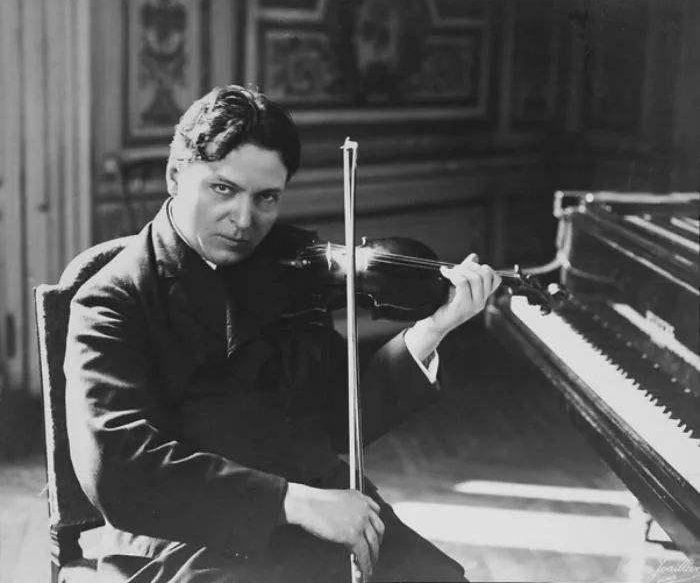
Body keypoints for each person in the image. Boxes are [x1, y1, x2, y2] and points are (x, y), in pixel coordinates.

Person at [64, 85, 501, 582]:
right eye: (223, 189)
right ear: (175, 175)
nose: (244, 221)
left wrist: (432, 330)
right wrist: (292, 502)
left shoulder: (287, 270)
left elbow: (339, 416)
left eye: (266, 198)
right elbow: (118, 468)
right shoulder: (114, 297)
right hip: (187, 538)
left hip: (323, 509)